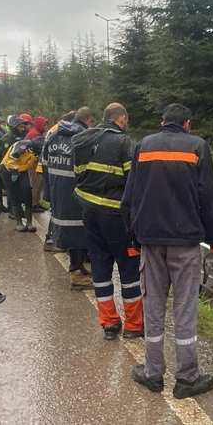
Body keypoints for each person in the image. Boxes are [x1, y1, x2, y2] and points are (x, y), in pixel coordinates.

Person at [121, 103, 213, 399]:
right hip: (185, 241)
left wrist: (134, 236)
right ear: (187, 124)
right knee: (184, 307)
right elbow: (210, 197)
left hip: (151, 241)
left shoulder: (144, 146)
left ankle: (153, 374)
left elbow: (130, 195)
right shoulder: (198, 147)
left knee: (153, 305)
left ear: (162, 122)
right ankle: (187, 378)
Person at [72, 103, 143, 340]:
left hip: (90, 214)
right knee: (129, 267)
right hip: (116, 217)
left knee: (100, 268)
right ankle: (133, 325)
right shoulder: (122, 142)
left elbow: (78, 174)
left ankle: (109, 323)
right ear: (121, 119)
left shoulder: (82, 141)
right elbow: (134, 182)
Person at [43, 107, 97, 289]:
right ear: (88, 122)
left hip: (57, 189)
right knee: (81, 231)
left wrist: (48, 192)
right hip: (77, 192)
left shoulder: (53, 134)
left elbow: (44, 164)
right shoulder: (84, 137)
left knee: (67, 230)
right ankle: (76, 273)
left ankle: (78, 267)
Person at [26, 116, 49, 212]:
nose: (46, 127)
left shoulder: (36, 133)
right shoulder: (35, 134)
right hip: (33, 162)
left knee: (38, 183)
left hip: (35, 161)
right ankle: (33, 204)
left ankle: (37, 202)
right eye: (45, 125)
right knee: (35, 183)